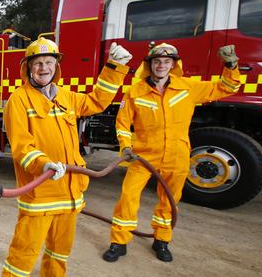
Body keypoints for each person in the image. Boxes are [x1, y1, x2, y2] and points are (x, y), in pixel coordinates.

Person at [0, 38, 131, 277]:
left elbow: (97, 100)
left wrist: (114, 68)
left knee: (61, 245)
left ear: (56, 67)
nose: (43, 68)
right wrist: (43, 163)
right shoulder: (19, 101)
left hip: (71, 191)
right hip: (41, 192)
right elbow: (22, 147)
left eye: (48, 63)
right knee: (25, 251)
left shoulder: (66, 96)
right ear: (28, 68)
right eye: (38, 63)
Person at [102, 43, 241, 263]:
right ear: (149, 65)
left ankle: (162, 241)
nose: (161, 65)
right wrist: (125, 146)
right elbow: (122, 123)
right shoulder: (135, 91)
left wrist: (231, 64)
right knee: (128, 197)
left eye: (167, 62)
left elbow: (228, 87)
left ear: (173, 65)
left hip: (177, 155)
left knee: (169, 201)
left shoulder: (188, 87)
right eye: (157, 61)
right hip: (143, 156)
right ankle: (119, 243)